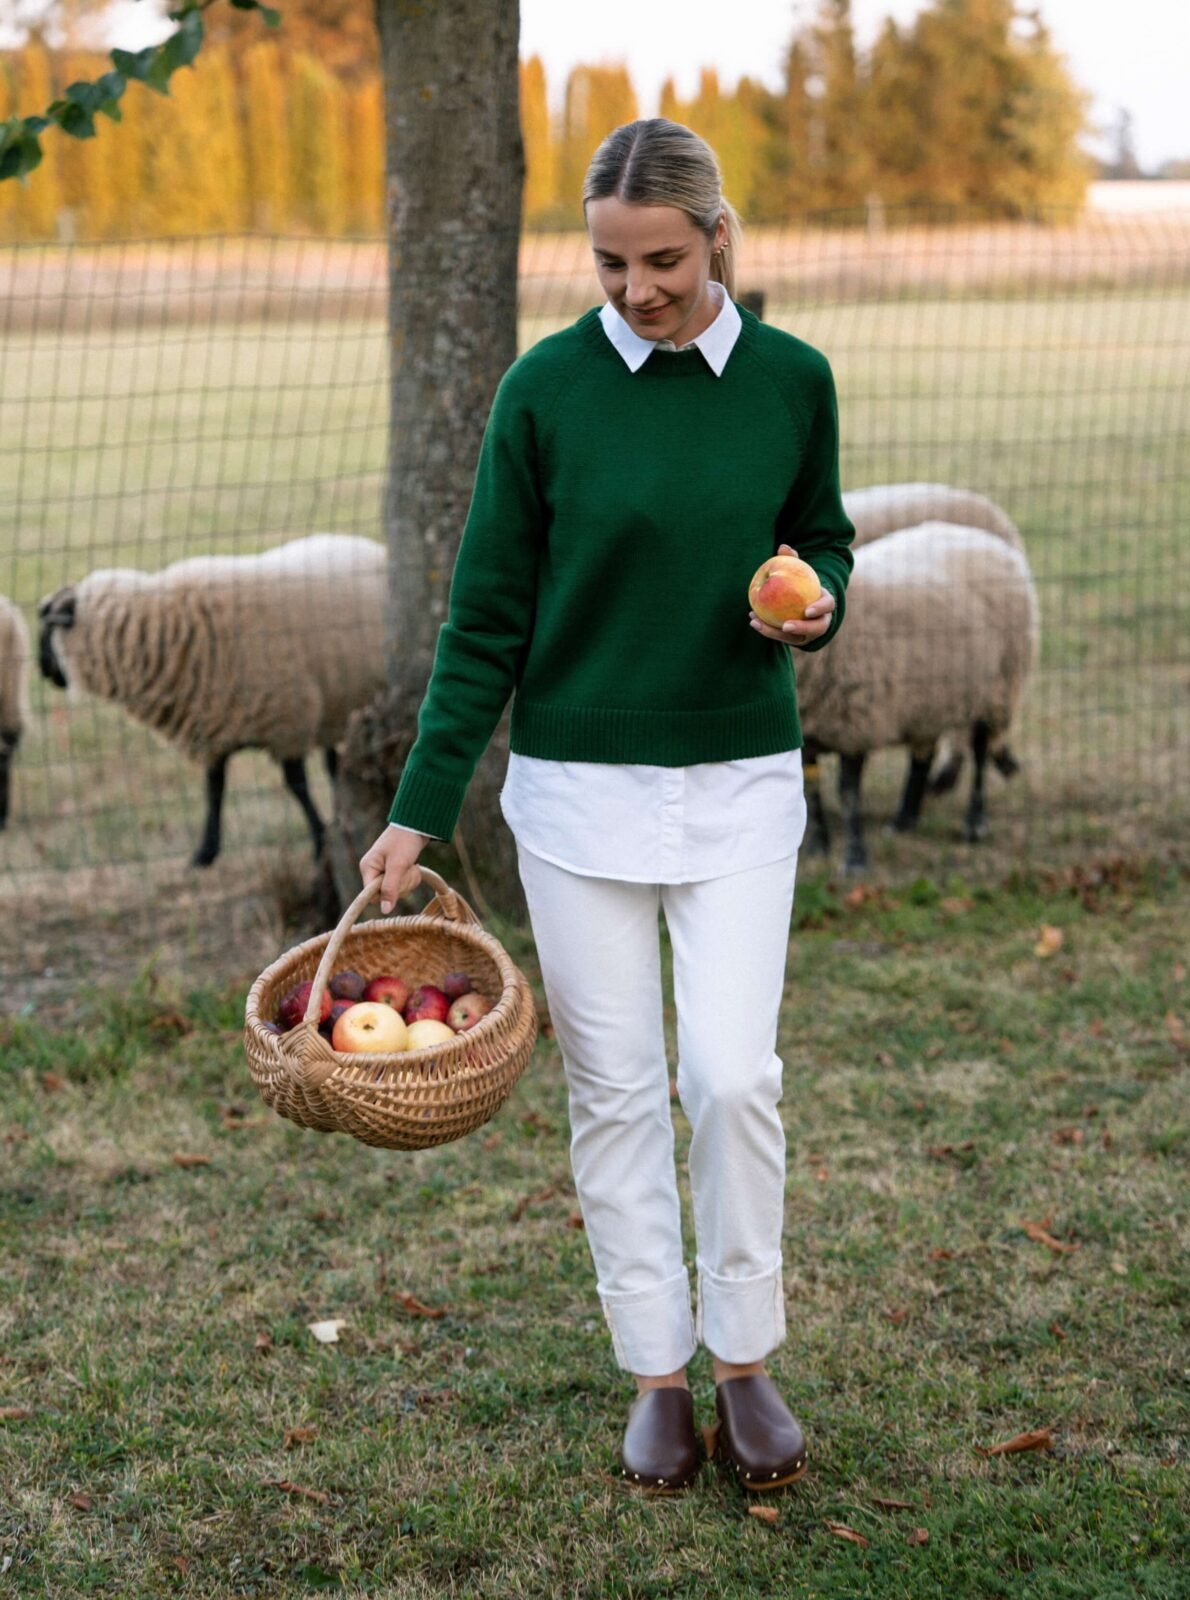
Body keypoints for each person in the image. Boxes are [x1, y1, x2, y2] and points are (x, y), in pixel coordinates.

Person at [360, 118, 854, 1495]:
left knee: (733, 1077)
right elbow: (485, 624)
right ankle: (656, 1372)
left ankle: (745, 1358)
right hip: (576, 802)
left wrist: (813, 603)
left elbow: (824, 535)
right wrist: (419, 806)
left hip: (742, 785)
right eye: (611, 262)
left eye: (665, 260)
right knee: (621, 1091)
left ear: (717, 238)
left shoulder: (794, 381)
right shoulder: (544, 394)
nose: (638, 289)